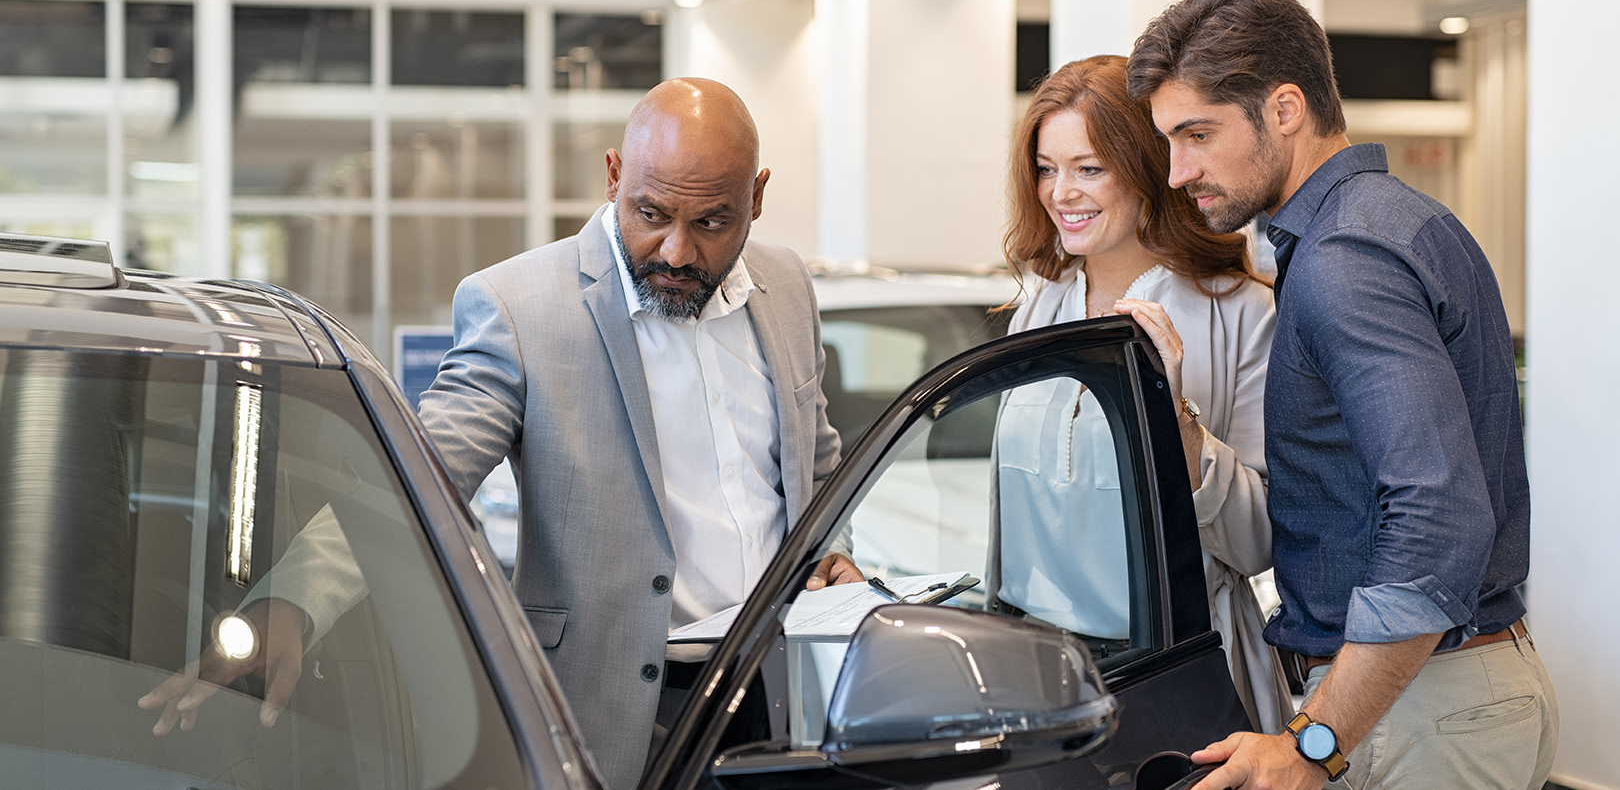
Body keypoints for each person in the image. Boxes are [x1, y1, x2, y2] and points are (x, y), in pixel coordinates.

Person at [140, 77, 863, 790]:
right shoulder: (521, 307)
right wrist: (291, 600)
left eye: (711, 223)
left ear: (756, 198)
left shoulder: (787, 287)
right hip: (624, 711)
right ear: (614, 176)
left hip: (777, 691)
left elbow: (817, 461)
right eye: (652, 213)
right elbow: (427, 475)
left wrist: (833, 553)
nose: (676, 251)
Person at [1127, 0, 1557, 790]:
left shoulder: (1344, 260)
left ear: (1284, 109)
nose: (1178, 171)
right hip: (1441, 698)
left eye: (1198, 134)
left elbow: (1438, 514)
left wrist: (1313, 742)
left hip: (1421, 711)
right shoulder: (1397, 221)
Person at [994, 54, 1289, 735]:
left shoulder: (1242, 314)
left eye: (1089, 168)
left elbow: (1258, 543)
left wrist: (1177, 422)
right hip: (1046, 683)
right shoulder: (1038, 310)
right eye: (1047, 167)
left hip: (1182, 676)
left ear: (1148, 169)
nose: (1060, 191)